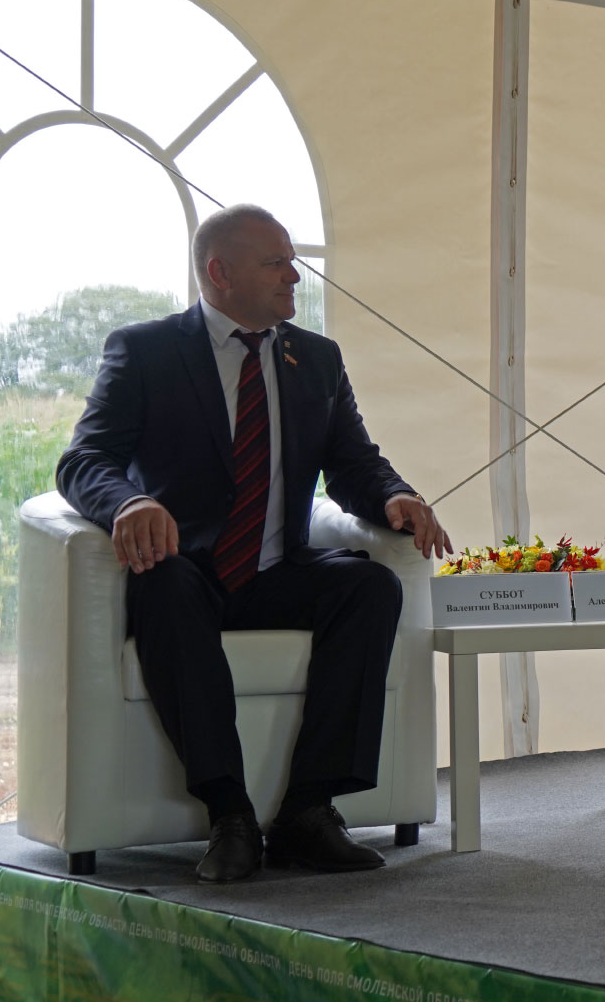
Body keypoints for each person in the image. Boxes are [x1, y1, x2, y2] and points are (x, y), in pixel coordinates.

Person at [56, 204, 451, 883]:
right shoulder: (146, 351)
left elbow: (354, 462)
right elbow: (84, 459)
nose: (294, 276)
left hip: (275, 570)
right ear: (220, 272)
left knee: (369, 586)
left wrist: (393, 496)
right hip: (185, 570)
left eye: (292, 262)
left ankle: (308, 812)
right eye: (275, 263)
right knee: (164, 583)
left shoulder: (315, 358)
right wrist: (130, 502)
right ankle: (230, 814)